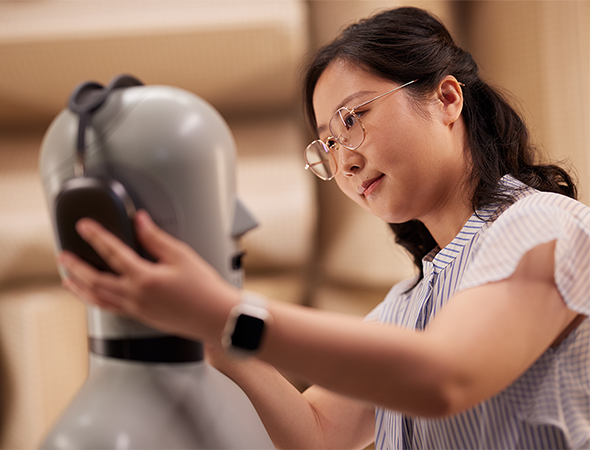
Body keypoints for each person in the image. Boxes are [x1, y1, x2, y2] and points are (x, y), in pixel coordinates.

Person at [58, 7, 589, 450]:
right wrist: (213, 336)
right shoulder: (407, 303)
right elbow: (317, 433)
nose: (345, 162)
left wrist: (222, 311)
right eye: (327, 146)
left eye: (352, 119)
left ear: (447, 99)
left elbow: (442, 377)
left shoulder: (544, 225)